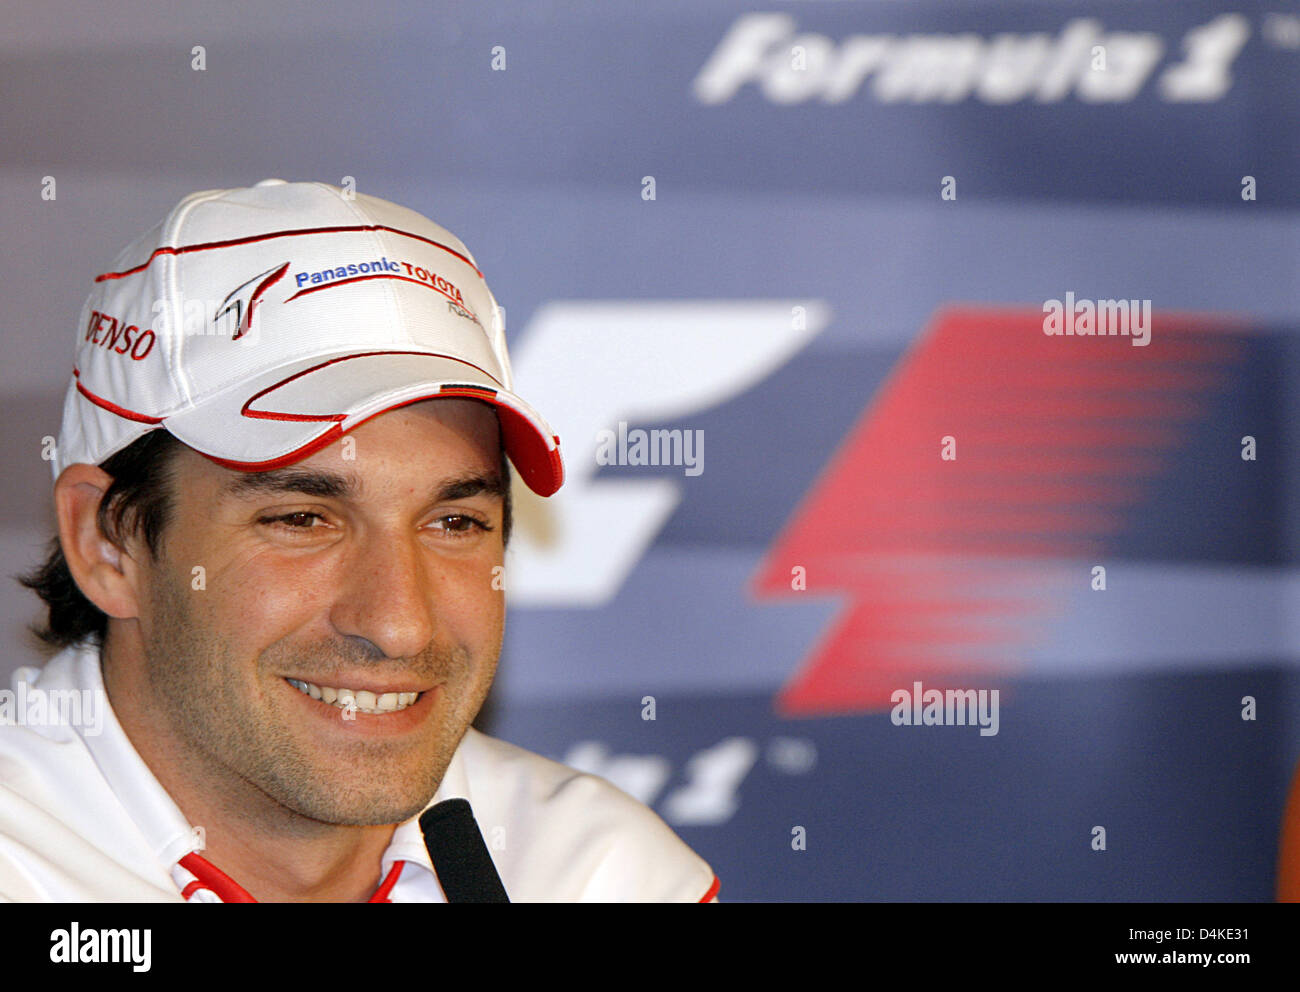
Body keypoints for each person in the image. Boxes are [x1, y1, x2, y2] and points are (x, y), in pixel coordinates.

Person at [0, 179, 720, 903]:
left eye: (454, 523)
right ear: (106, 544)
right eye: (302, 521)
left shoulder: (604, 875)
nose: (399, 624)